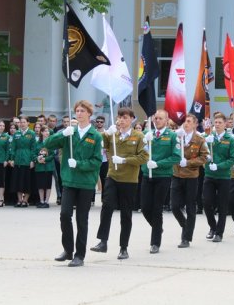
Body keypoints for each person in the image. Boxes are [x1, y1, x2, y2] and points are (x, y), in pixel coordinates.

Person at [46, 100, 102, 267]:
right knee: (64, 215)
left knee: (81, 219)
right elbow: (47, 144)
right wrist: (61, 134)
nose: (78, 113)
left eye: (82, 111)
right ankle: (68, 250)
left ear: (89, 114)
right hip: (70, 180)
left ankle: (80, 255)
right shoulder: (69, 133)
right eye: (77, 111)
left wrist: (79, 164)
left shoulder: (95, 136)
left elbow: (97, 161)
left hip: (85, 182)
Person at [90, 107, 149, 260]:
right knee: (107, 206)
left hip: (129, 180)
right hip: (113, 176)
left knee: (126, 213)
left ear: (132, 119)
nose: (121, 120)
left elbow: (144, 157)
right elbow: (97, 143)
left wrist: (124, 160)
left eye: (125, 117)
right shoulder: (113, 134)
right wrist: (105, 134)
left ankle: (124, 247)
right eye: (119, 117)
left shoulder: (139, 136)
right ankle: (103, 241)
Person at [140, 109, 181, 253]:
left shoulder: (172, 136)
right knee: (145, 207)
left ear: (166, 120)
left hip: (162, 176)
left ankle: (155, 242)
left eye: (160, 118)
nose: (157, 120)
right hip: (147, 174)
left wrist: (158, 163)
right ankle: (158, 228)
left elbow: (176, 157)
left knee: (157, 209)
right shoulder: (147, 134)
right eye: (155, 118)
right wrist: (144, 142)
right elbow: (139, 152)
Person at [171, 114, 209, 248]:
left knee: (190, 207)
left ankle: (186, 238)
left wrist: (188, 162)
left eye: (188, 122)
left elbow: (204, 157)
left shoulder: (199, 139)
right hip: (177, 175)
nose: (185, 124)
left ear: (195, 124)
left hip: (191, 176)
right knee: (174, 206)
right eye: (184, 122)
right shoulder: (176, 136)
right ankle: (185, 225)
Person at [203, 112, 234, 242]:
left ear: (225, 124)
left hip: (223, 176)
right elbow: (201, 154)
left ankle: (219, 233)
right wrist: (206, 157)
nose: (217, 125)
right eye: (215, 122)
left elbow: (233, 159)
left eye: (219, 123)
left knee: (222, 205)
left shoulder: (230, 139)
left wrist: (220, 166)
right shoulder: (208, 137)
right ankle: (213, 226)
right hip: (209, 175)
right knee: (206, 202)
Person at [9, 116, 36, 208]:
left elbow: (33, 148)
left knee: (27, 181)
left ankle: (25, 200)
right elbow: (13, 147)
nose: (22, 124)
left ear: (28, 123)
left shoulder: (31, 133)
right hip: (18, 159)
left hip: (27, 159)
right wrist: (12, 158)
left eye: (24, 122)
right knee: (18, 181)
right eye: (21, 122)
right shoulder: (16, 134)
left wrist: (32, 160)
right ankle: (19, 200)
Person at [34, 125, 54, 208]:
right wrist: (37, 158)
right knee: (40, 185)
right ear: (41, 132)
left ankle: (46, 201)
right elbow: (34, 153)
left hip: (48, 167)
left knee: (48, 185)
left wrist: (45, 159)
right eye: (45, 131)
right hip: (39, 167)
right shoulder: (37, 143)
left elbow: (53, 155)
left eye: (48, 131)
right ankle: (41, 200)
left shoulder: (51, 142)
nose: (47, 133)